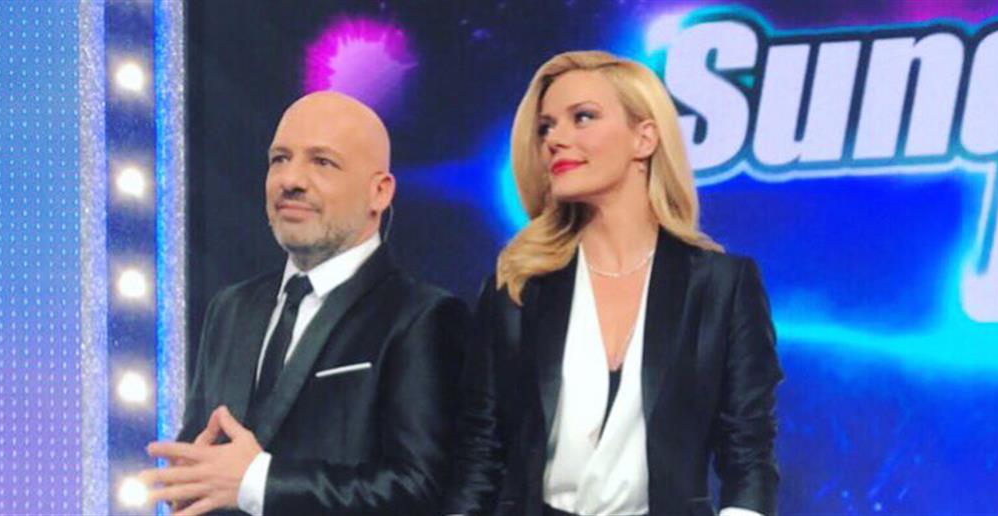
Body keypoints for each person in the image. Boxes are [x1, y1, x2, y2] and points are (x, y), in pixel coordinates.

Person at [448, 51, 782, 516]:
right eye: (546, 127)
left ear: (644, 138)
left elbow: (748, 452)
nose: (555, 139)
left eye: (582, 117)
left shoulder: (721, 286)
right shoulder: (519, 286)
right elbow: (481, 453)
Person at [139, 91, 467, 515]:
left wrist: (257, 482)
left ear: (379, 192)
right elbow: (204, 461)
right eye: (279, 159)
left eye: (322, 162)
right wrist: (187, 482)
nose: (290, 180)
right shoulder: (232, 309)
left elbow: (419, 491)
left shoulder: (422, 317)